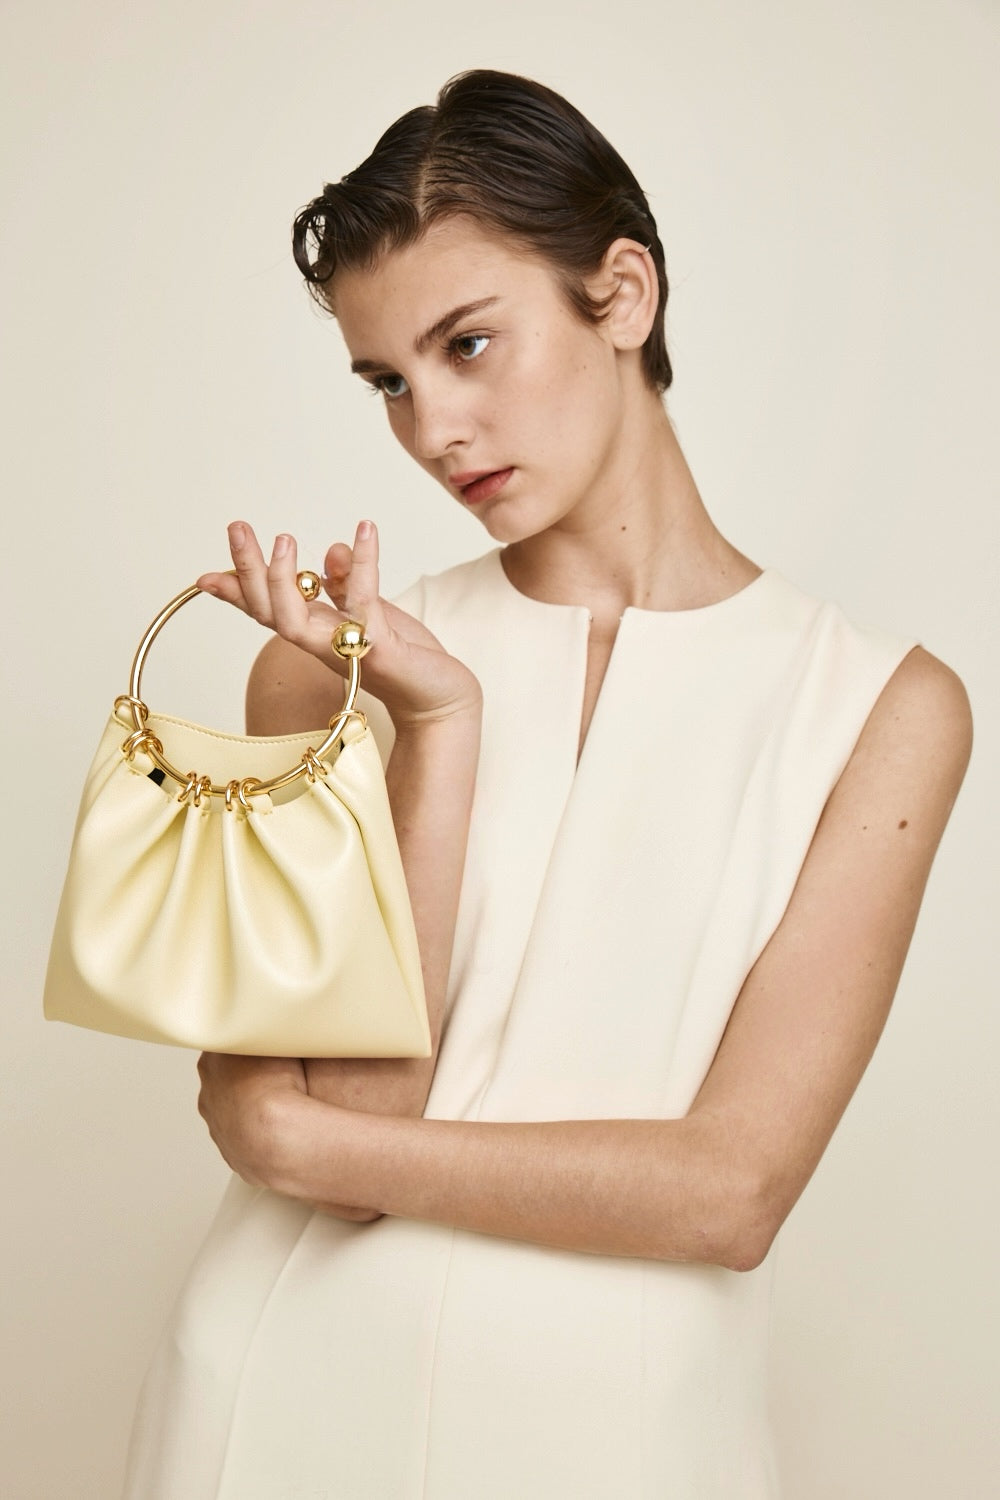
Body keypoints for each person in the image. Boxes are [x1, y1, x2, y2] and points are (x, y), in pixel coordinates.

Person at [122, 70, 971, 1498]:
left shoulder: (881, 709)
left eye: (468, 345)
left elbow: (731, 1193)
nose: (433, 429)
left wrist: (306, 1141)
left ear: (622, 295)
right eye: (390, 382)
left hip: (621, 1446)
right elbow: (357, 1136)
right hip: (272, 1415)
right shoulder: (325, 672)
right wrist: (441, 728)